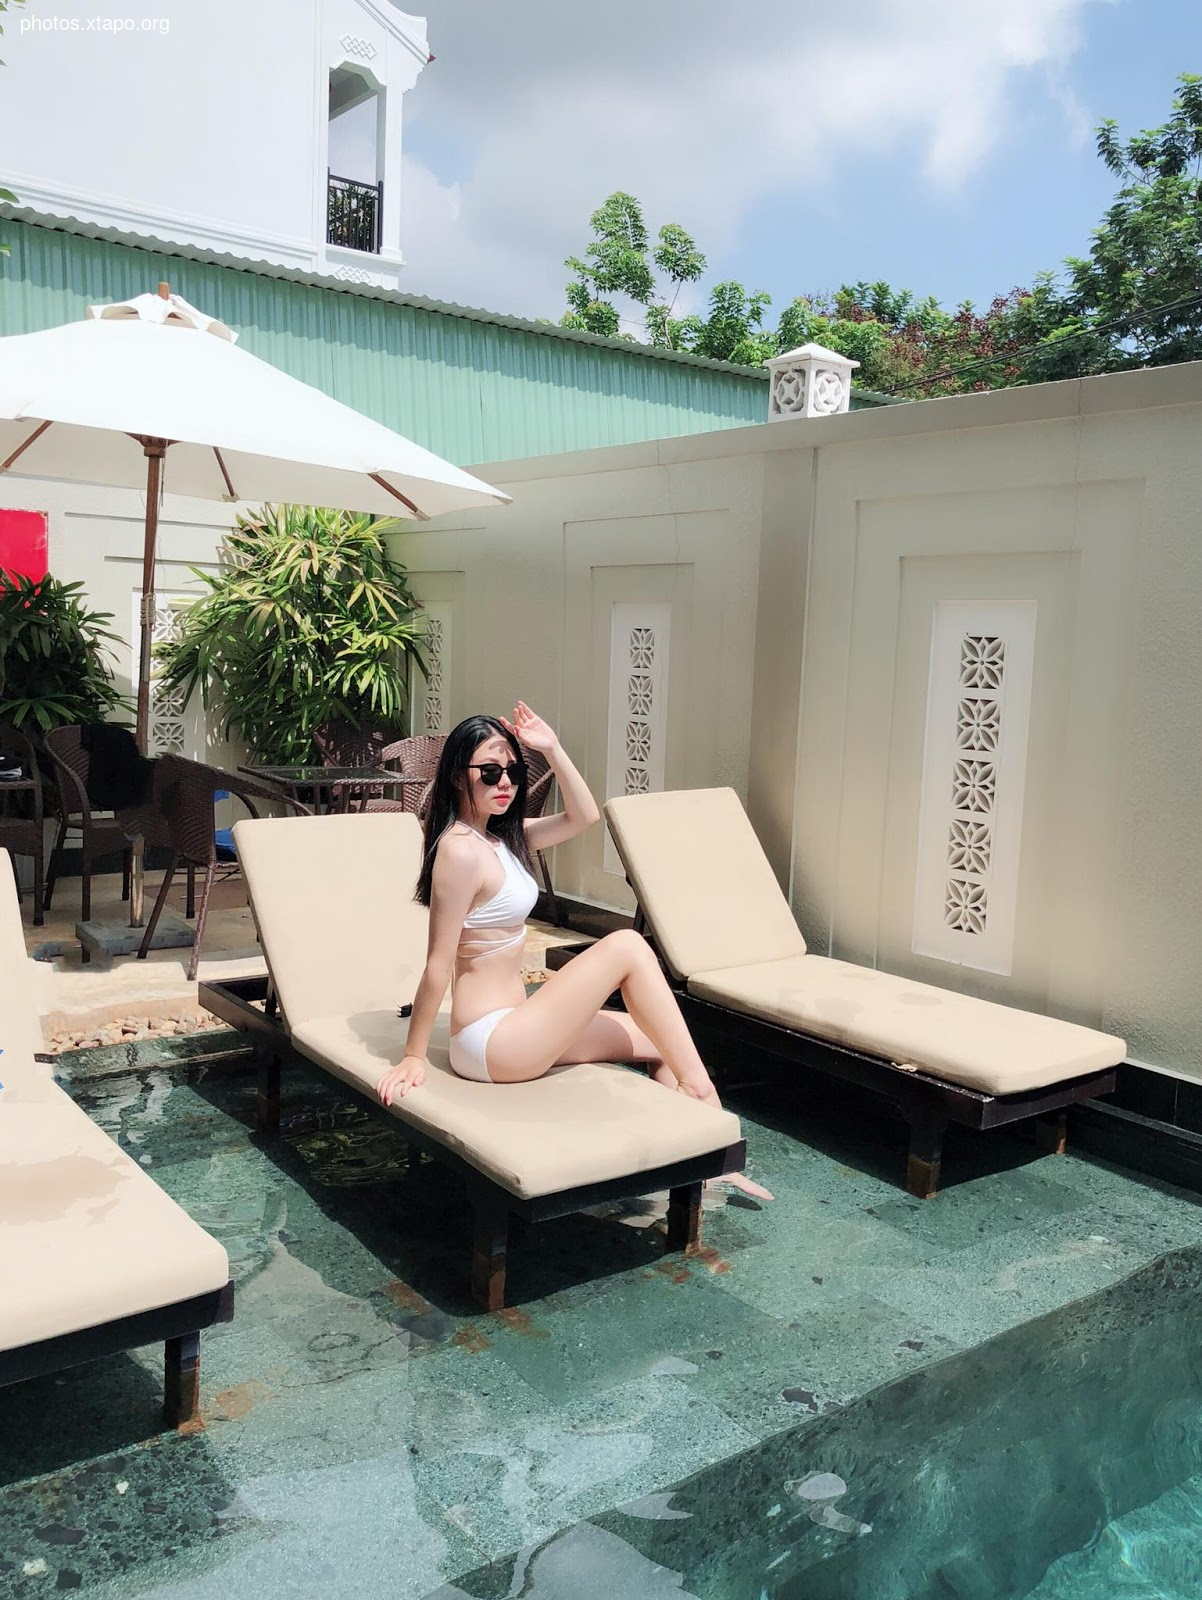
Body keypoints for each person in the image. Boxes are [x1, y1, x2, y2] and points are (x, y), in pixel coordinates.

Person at [375, 703, 772, 1200]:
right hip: (490, 1044)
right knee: (627, 945)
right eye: (491, 772)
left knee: (660, 1039)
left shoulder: (502, 840)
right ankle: (704, 1100)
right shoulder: (459, 851)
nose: (505, 782)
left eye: (513, 771)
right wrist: (413, 1056)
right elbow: (438, 965)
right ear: (458, 776)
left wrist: (552, 749)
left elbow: (584, 816)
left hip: (522, 1026)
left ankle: (695, 1162)